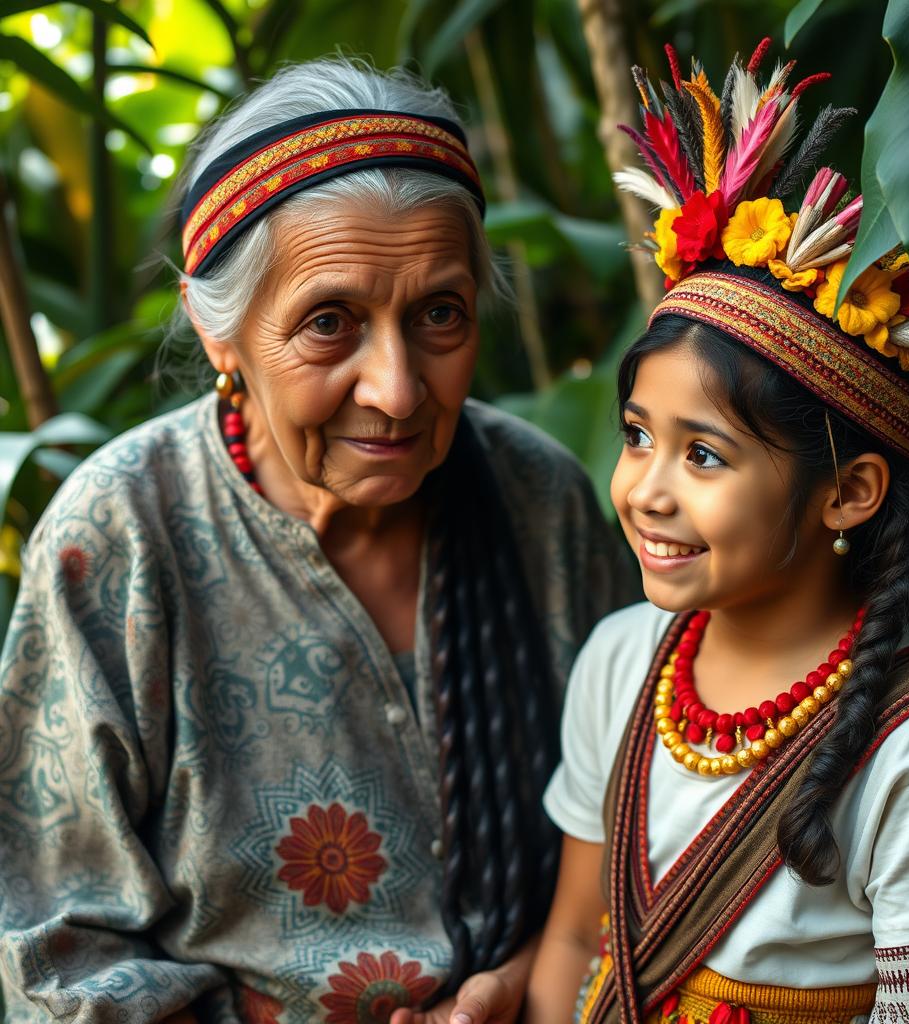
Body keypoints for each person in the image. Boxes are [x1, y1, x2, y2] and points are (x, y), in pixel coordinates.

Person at [0, 57, 635, 1023]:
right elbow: (49, 949)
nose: (398, 389)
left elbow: (639, 817)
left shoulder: (539, 499)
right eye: (330, 323)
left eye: (439, 316)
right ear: (221, 334)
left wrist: (533, 977)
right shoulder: (119, 539)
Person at [525, 39, 909, 1024]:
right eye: (636, 438)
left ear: (850, 490)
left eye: (703, 455)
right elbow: (574, 943)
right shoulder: (622, 662)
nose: (646, 490)